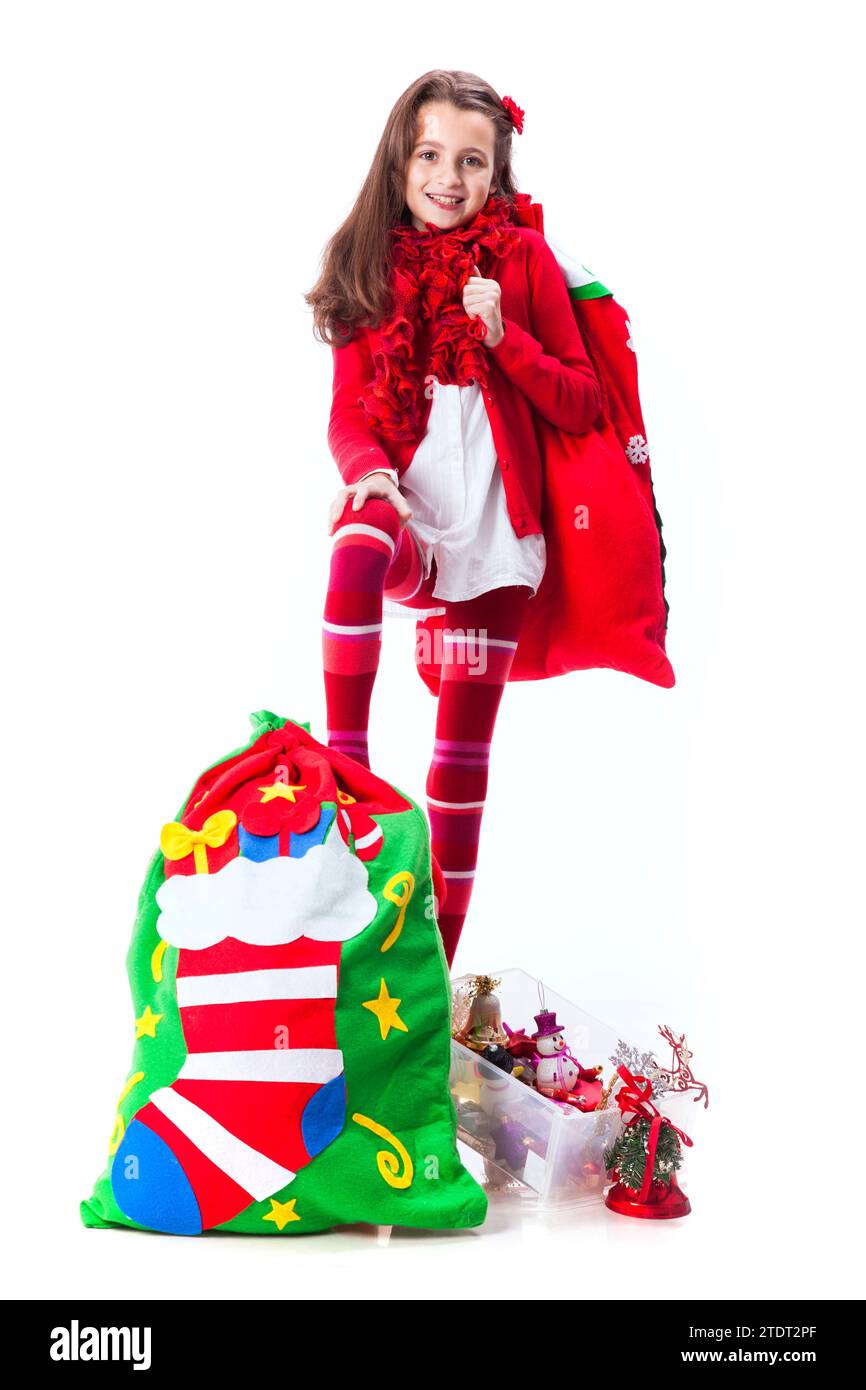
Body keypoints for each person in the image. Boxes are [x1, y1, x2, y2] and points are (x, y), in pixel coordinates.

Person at [305, 69, 603, 966]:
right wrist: (373, 477)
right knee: (356, 544)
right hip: (410, 511)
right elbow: (351, 410)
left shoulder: (523, 262)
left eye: (471, 161)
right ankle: (345, 771)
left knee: (459, 764)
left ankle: (430, 976)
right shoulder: (371, 267)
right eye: (430, 154)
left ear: (495, 175)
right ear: (400, 163)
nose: (448, 176)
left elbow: (582, 403)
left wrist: (507, 337)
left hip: (497, 542)